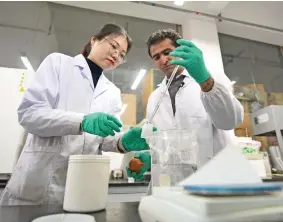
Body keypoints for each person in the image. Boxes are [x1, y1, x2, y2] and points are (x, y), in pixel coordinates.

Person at [0, 23, 150, 205]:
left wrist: (122, 141)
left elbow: (106, 138)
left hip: (83, 188)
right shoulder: (58, 64)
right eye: (113, 46)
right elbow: (30, 113)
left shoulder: (112, 91)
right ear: (94, 40)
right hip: (39, 185)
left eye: (122, 55)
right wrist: (81, 121)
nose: (116, 55)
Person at [127, 29, 244, 181]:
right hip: (175, 183)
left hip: (215, 179)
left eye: (167, 52)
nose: (163, 60)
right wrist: (150, 156)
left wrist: (205, 81)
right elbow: (162, 141)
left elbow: (230, 121)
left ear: (180, 51)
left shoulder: (211, 78)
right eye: (157, 57)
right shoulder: (155, 98)